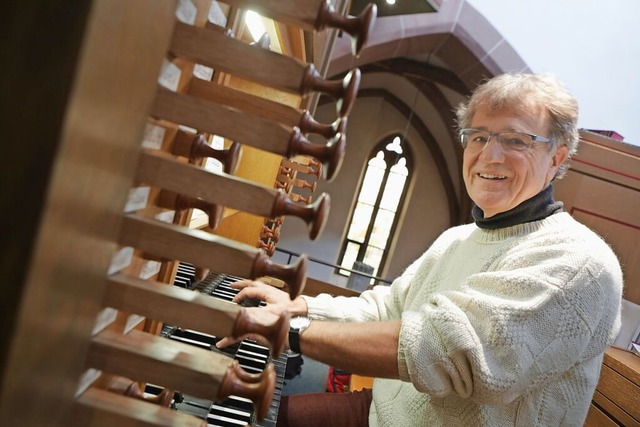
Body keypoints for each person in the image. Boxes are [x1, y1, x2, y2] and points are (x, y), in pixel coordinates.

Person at [219, 73, 623, 426]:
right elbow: (387, 309)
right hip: (381, 413)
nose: (489, 154)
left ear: (556, 158)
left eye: (515, 140)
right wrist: (298, 306)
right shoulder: (457, 240)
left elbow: (449, 349)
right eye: (478, 136)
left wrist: (288, 331)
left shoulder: (579, 262)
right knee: (239, 409)